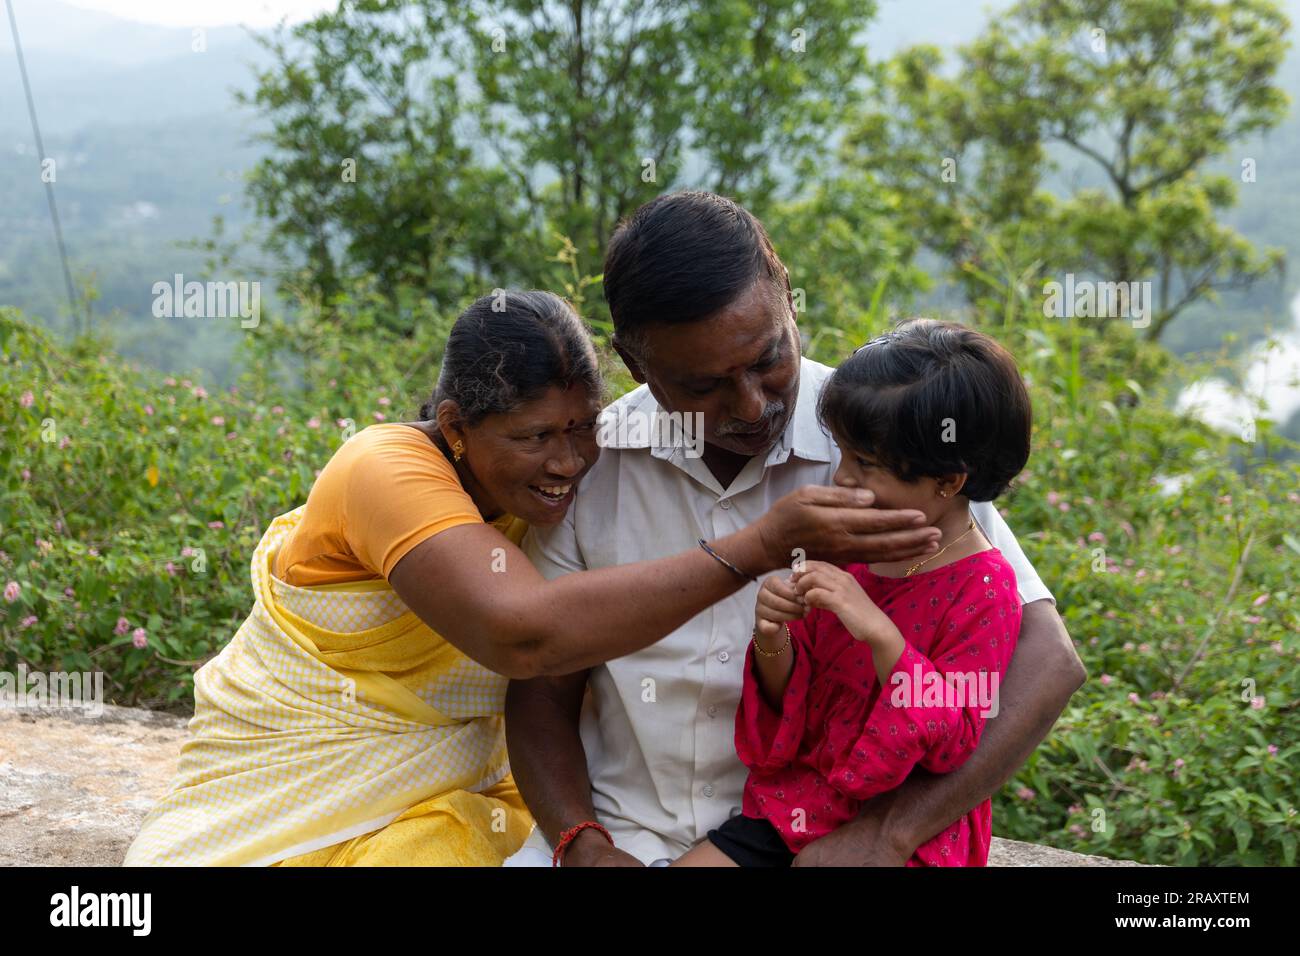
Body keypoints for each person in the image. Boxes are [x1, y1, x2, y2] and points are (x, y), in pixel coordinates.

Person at [123, 289, 936, 867]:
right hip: (302, 763)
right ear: (455, 428)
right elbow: (528, 637)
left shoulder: (836, 426)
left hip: (466, 786)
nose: (570, 461)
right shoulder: (385, 469)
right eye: (536, 436)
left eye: (583, 427)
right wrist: (757, 547)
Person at [505, 191, 1085, 867]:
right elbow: (542, 686)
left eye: (767, 358)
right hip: (625, 830)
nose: (751, 404)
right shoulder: (594, 465)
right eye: (704, 386)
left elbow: (1048, 662)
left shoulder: (892, 431)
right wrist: (583, 845)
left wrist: (889, 834)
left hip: (826, 835)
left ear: (785, 289)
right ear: (637, 367)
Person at [672, 318, 1030, 866]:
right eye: (842, 454)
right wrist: (772, 636)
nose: (841, 478)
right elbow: (800, 695)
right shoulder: (852, 539)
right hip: (802, 804)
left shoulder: (986, 587)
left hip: (898, 835)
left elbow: (953, 735)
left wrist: (879, 633)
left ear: (948, 481)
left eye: (866, 464)